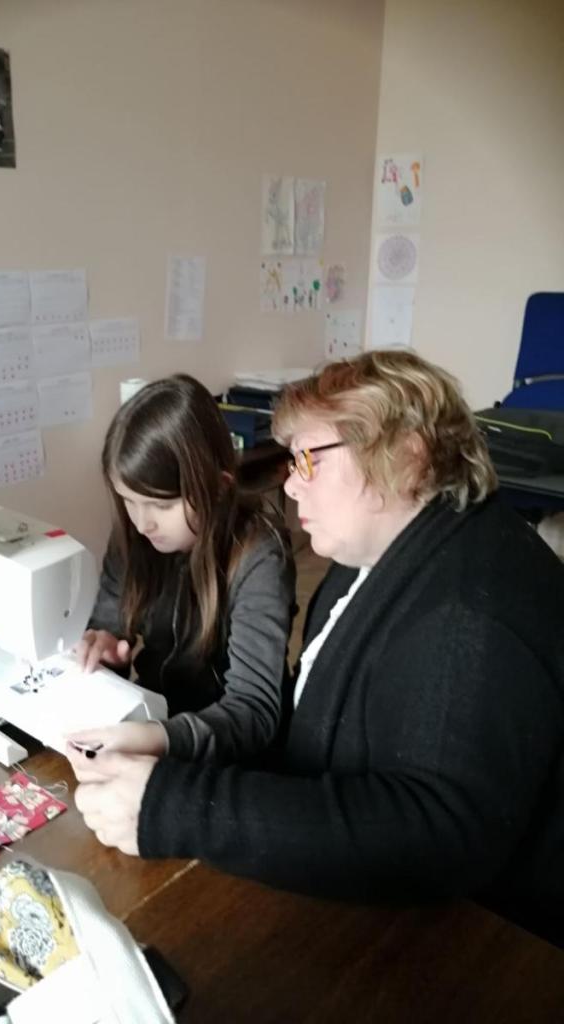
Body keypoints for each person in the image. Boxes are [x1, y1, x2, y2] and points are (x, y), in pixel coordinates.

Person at [70, 350, 564, 947]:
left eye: (309, 459)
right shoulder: (368, 560)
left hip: (485, 943)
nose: (289, 481)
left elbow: (431, 834)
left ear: (406, 455)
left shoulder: (472, 613)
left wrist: (174, 806)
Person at [71, 373, 296, 764]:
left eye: (161, 505)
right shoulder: (135, 536)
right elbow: (108, 625)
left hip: (234, 756)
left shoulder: (259, 555)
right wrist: (105, 651)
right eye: (128, 501)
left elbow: (253, 710)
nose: (143, 523)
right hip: (157, 720)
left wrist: (160, 738)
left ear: (219, 487)